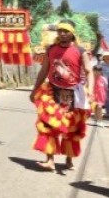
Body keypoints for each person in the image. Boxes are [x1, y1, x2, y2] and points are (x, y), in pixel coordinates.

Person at [29, 19, 94, 172]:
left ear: (72, 33)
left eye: (66, 31)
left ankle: (69, 158)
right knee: (47, 125)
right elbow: (44, 71)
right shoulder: (51, 49)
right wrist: (34, 90)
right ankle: (50, 160)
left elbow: (89, 71)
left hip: (73, 95)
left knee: (70, 128)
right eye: (60, 31)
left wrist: (90, 91)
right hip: (51, 91)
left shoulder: (80, 51)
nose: (63, 34)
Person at [101, 50, 109, 118]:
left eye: (108, 56)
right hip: (104, 84)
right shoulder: (101, 65)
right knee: (106, 99)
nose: (107, 58)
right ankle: (107, 112)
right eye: (106, 57)